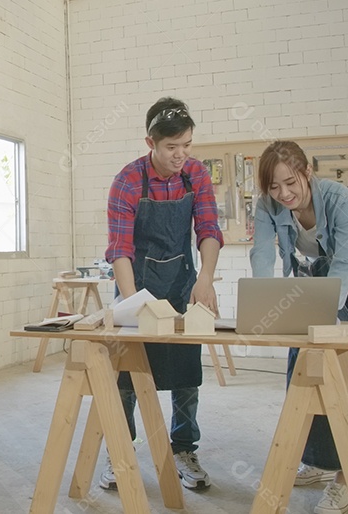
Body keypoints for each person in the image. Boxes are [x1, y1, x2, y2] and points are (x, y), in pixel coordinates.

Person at [249, 140, 348, 514]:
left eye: (290, 182)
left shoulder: (338, 197)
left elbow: (347, 263)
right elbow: (261, 253)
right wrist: (261, 305)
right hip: (312, 275)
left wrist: (325, 313)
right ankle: (319, 462)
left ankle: (347, 478)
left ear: (307, 172)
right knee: (303, 365)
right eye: (274, 187)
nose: (283, 194)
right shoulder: (267, 205)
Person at [102, 97, 222, 491]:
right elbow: (119, 248)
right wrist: (133, 302)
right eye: (172, 147)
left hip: (181, 284)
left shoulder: (196, 176)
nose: (181, 155)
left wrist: (206, 277)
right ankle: (120, 452)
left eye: (186, 145)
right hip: (136, 282)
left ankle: (184, 449)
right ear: (150, 142)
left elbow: (208, 229)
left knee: (186, 373)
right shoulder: (128, 180)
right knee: (127, 375)